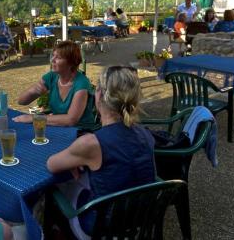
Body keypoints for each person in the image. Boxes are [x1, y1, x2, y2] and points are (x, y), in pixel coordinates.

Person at [46, 66, 156, 238]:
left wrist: (80, 158)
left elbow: (51, 164)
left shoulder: (91, 143)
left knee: (53, 190)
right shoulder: (145, 134)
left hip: (102, 224)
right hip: (139, 217)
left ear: (99, 94)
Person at [13, 41, 95, 128]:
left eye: (58, 58)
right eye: (53, 56)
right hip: (59, 128)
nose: (52, 60)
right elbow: (21, 101)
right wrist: (34, 91)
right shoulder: (52, 77)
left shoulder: (81, 83)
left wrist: (34, 118)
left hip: (81, 132)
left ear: (71, 63)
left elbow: (71, 120)